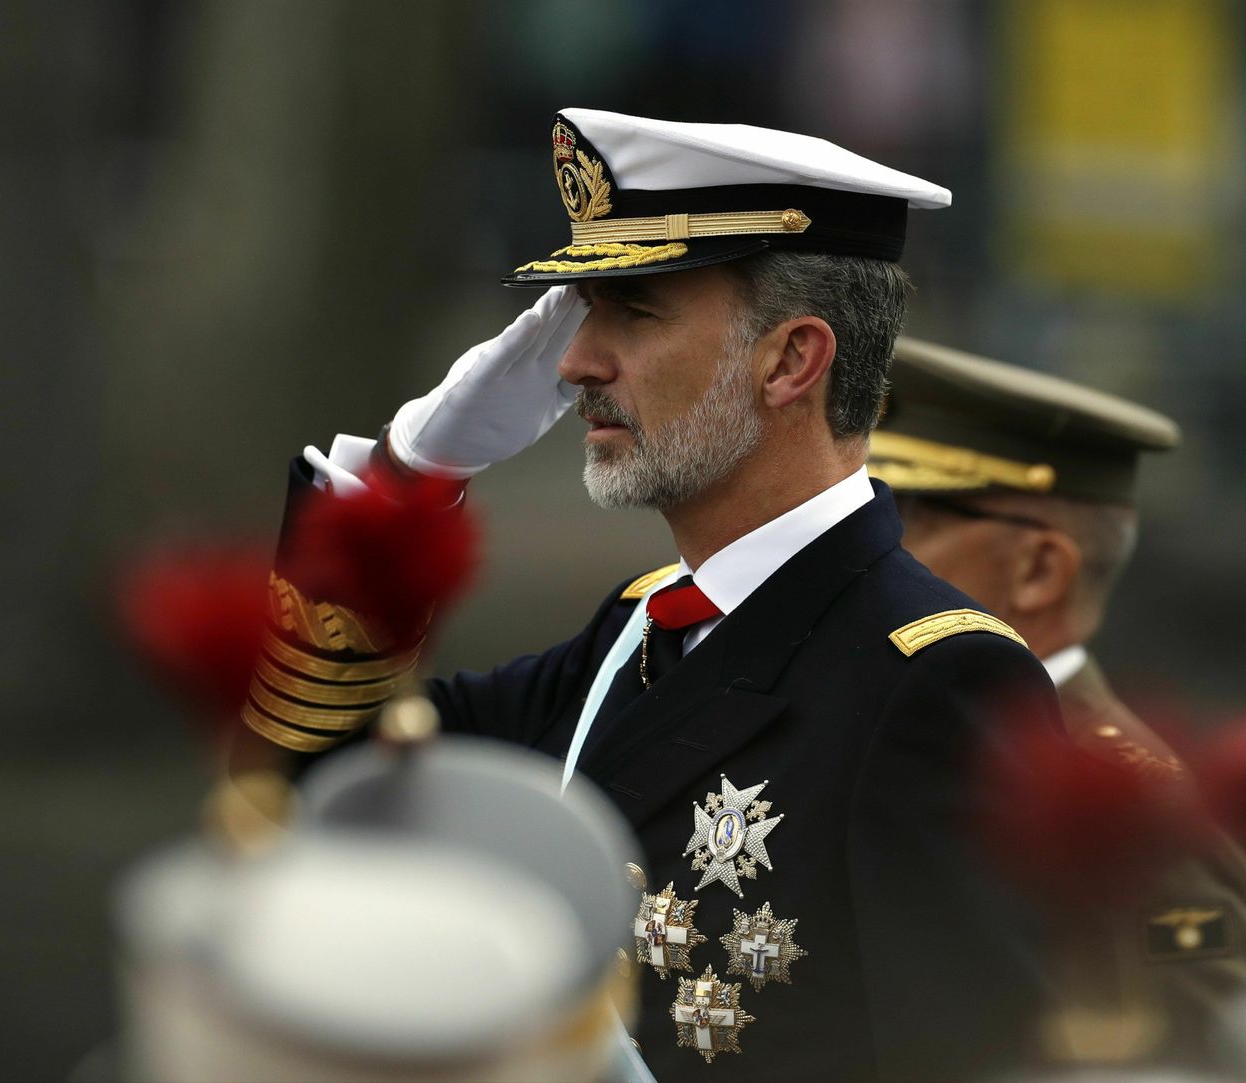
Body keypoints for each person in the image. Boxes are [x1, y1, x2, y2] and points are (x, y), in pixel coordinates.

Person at [244, 109, 1062, 1081]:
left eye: (632, 311)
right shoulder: (635, 630)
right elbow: (305, 808)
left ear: (791, 360)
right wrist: (402, 483)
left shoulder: (939, 682)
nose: (573, 362)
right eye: (585, 311)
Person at [870, 336, 1246, 1070]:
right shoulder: (934, 728)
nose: (861, 553)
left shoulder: (1136, 810)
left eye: (900, 522)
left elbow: (1198, 1043)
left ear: (1039, 569)